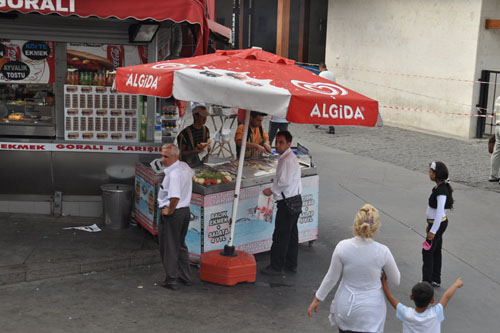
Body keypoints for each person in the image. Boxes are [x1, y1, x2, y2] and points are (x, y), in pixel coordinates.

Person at [307, 204, 401, 333]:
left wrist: (318, 298)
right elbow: (396, 280)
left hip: (346, 309)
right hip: (371, 313)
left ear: (356, 223)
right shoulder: (383, 251)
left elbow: (331, 278)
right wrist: (383, 279)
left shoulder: (342, 247)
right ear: (376, 227)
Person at [261, 131, 302, 276]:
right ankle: (291, 264)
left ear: (289, 144)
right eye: (277, 142)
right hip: (294, 200)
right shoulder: (287, 158)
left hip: (287, 202)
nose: (277, 145)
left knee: (281, 235)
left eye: (281, 142)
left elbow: (284, 182)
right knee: (291, 235)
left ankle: (276, 266)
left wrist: (271, 190)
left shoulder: (287, 160)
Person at [157, 144, 195, 290]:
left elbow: (174, 198)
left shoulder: (173, 175)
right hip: (185, 211)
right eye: (162, 155)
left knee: (169, 247)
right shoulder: (184, 167)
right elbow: (192, 174)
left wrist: (170, 211)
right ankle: (186, 276)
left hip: (175, 212)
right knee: (180, 245)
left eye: (166, 156)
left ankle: (171, 279)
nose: (162, 159)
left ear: (174, 157)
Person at [381, 275, 463, 333]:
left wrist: (383, 281)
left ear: (411, 297)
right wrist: (455, 285)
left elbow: (390, 297)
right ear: (432, 300)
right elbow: (446, 296)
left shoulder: (406, 313)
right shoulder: (436, 313)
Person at [423, 161, 454, 287]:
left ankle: (427, 281)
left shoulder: (441, 191)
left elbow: (440, 211)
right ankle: (435, 278)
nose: (429, 173)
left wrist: (433, 231)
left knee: (428, 252)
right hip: (436, 223)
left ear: (436, 174)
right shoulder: (440, 187)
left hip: (438, 224)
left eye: (431, 171)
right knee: (436, 251)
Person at [177, 102, 211, 167]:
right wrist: (193, 151)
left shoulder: (206, 130)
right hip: (187, 166)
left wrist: (208, 147)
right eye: (202, 116)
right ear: (195, 116)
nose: (205, 119)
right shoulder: (184, 134)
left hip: (202, 164)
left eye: (205, 116)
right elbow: (181, 153)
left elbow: (207, 141)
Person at [318, 62, 336, 134]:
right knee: (329, 110)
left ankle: (331, 127)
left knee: (323, 109)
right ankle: (318, 122)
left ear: (320, 68)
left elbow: (319, 84)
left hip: (324, 94)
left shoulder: (321, 74)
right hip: (332, 93)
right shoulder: (332, 74)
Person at [489, 96, 500, 182]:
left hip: (498, 127)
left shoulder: (498, 98)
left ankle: (493, 175)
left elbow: (495, 114)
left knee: (496, 152)